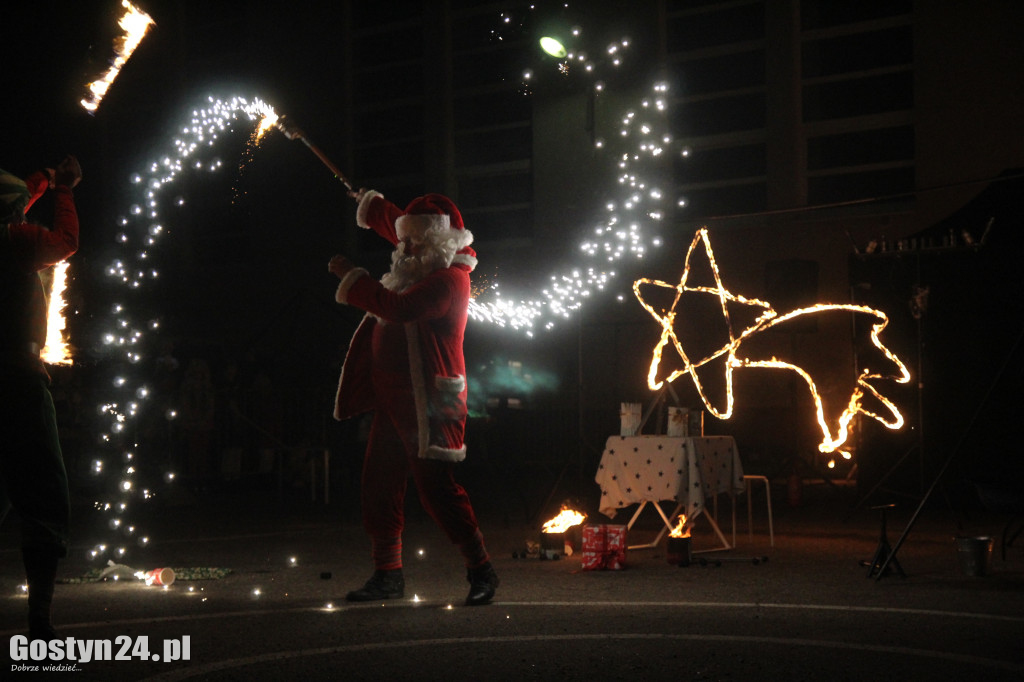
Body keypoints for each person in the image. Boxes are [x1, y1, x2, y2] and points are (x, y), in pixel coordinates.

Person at [330, 188, 498, 606]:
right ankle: (388, 575)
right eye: (403, 239)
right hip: (394, 400)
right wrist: (372, 208)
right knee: (378, 483)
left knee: (437, 490)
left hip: (431, 402)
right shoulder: (420, 260)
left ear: (439, 243)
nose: (403, 246)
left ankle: (482, 570)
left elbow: (397, 307)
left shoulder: (447, 281)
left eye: (413, 240)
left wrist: (353, 278)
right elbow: (400, 226)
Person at [0, 155, 82, 640]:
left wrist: (44, 181)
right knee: (45, 491)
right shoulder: (16, 241)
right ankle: (40, 618)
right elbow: (66, 243)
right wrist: (65, 192)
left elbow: (12, 201)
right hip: (18, 378)